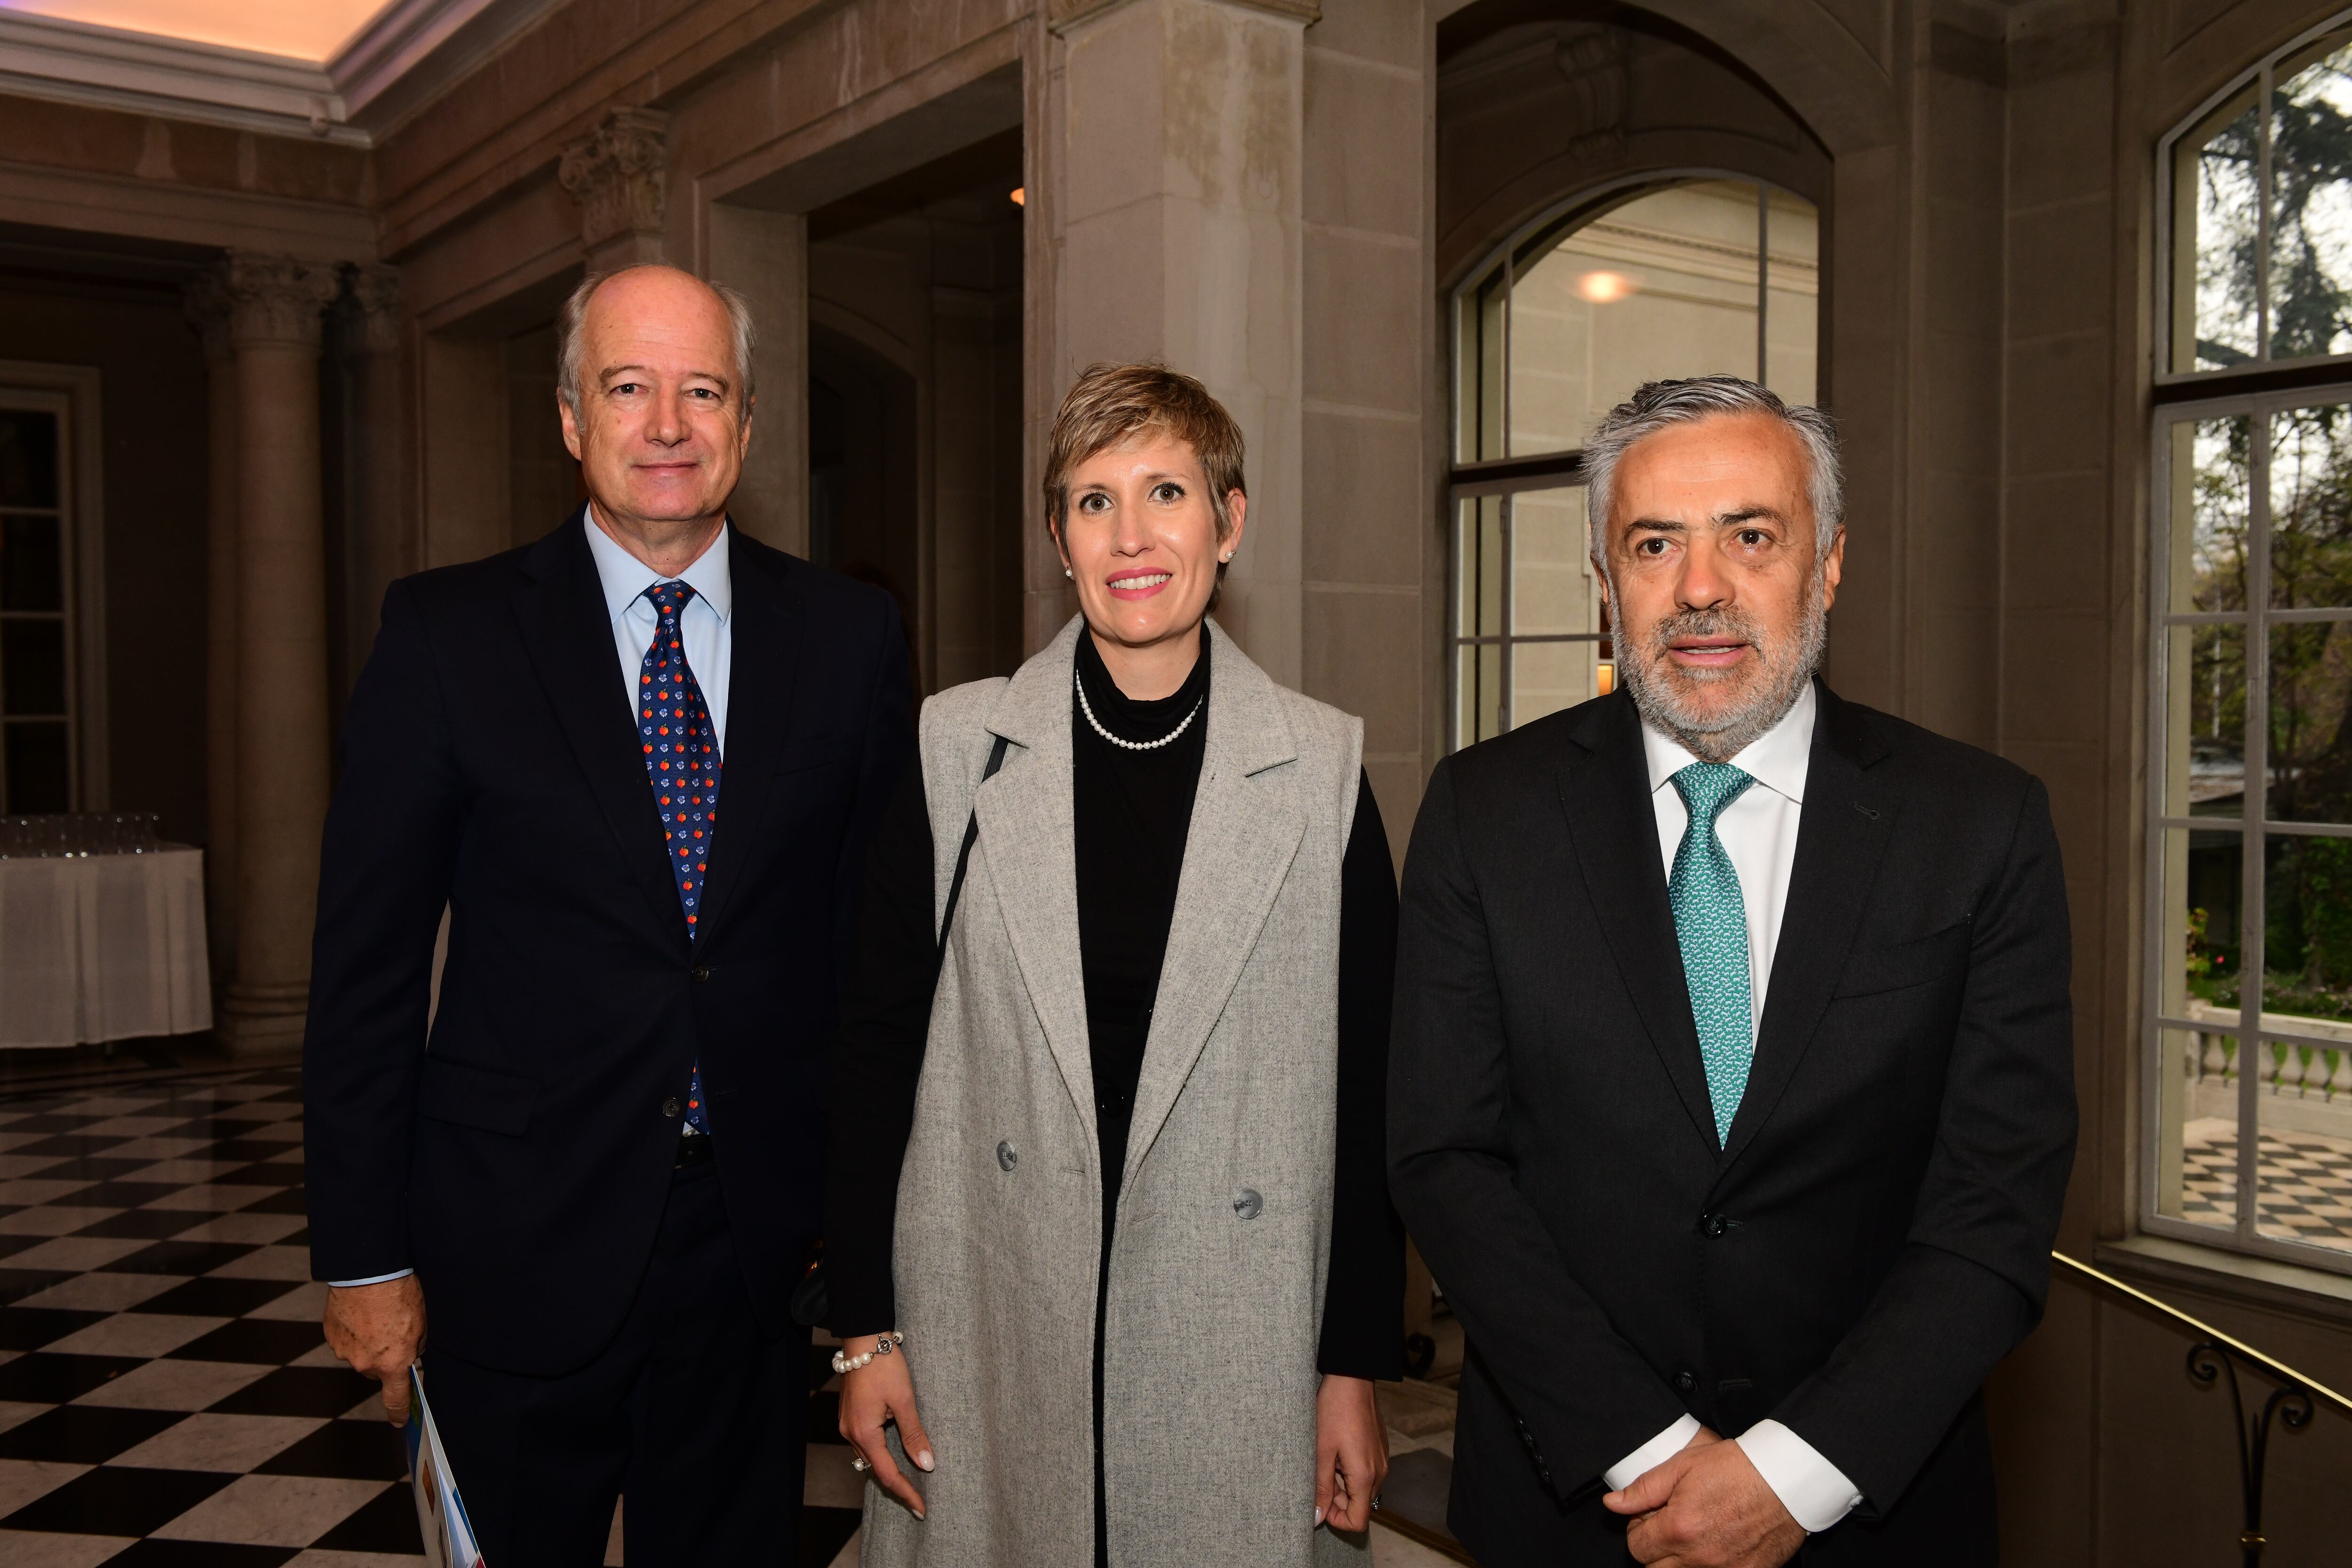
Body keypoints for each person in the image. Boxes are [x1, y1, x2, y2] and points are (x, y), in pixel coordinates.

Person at [1388, 375, 2076, 1568]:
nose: (1700, 587)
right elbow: (1444, 1155)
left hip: (1873, 1517)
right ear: (1605, 585)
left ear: (1830, 561)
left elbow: (1994, 1204)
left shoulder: (1981, 826)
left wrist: (1789, 1474)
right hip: (1571, 1511)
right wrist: (1651, 1449)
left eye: (1750, 535)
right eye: (1655, 543)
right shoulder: (1481, 812)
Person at [303, 264, 912, 1565]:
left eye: (704, 391)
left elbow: (874, 980)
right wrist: (360, 1250)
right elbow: (364, 966)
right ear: (572, 419)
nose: (669, 424)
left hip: (752, 1254)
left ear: (748, 425)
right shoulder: (446, 635)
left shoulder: (852, 640)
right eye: (629, 388)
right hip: (509, 1240)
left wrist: (869, 1280)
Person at [825, 362, 1405, 1567]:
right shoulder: (957, 749)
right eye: (1094, 501)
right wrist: (861, 1329)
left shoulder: (1318, 773)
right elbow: (871, 1046)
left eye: (1165, 494)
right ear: (1058, 535)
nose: (1131, 537)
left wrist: (1351, 1363)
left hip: (1234, 1330)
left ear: (1229, 520)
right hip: (992, 1319)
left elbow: (1367, 1099)